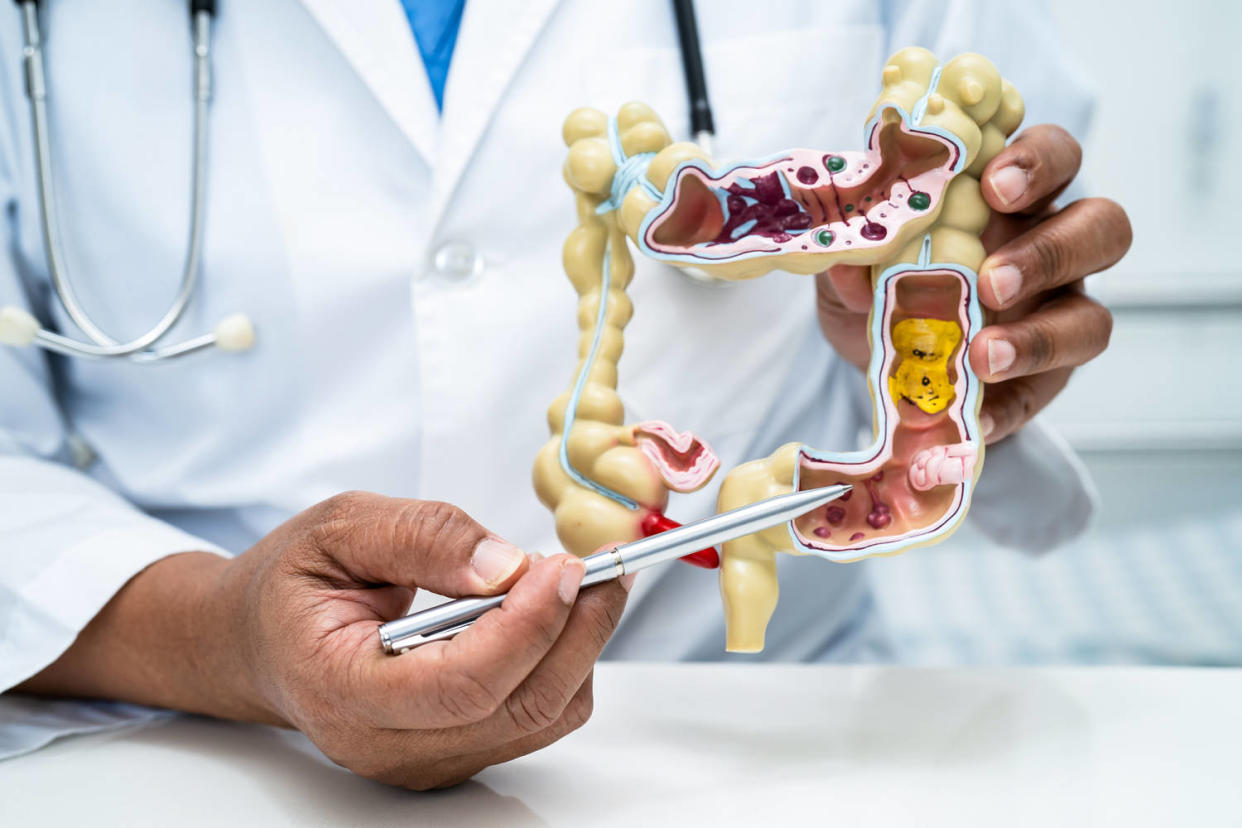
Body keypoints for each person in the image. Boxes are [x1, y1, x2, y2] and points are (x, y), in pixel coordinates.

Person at [0, 0, 1130, 788]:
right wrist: (226, 642)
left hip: (761, 735)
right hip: (193, 753)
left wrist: (969, 328)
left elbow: (1010, 217)